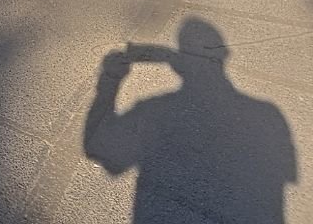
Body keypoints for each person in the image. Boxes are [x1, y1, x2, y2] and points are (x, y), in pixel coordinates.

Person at [84, 18, 297, 223]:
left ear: (178, 67)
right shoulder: (268, 115)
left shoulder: (155, 112)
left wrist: (110, 81)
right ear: (224, 56)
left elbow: (100, 149)